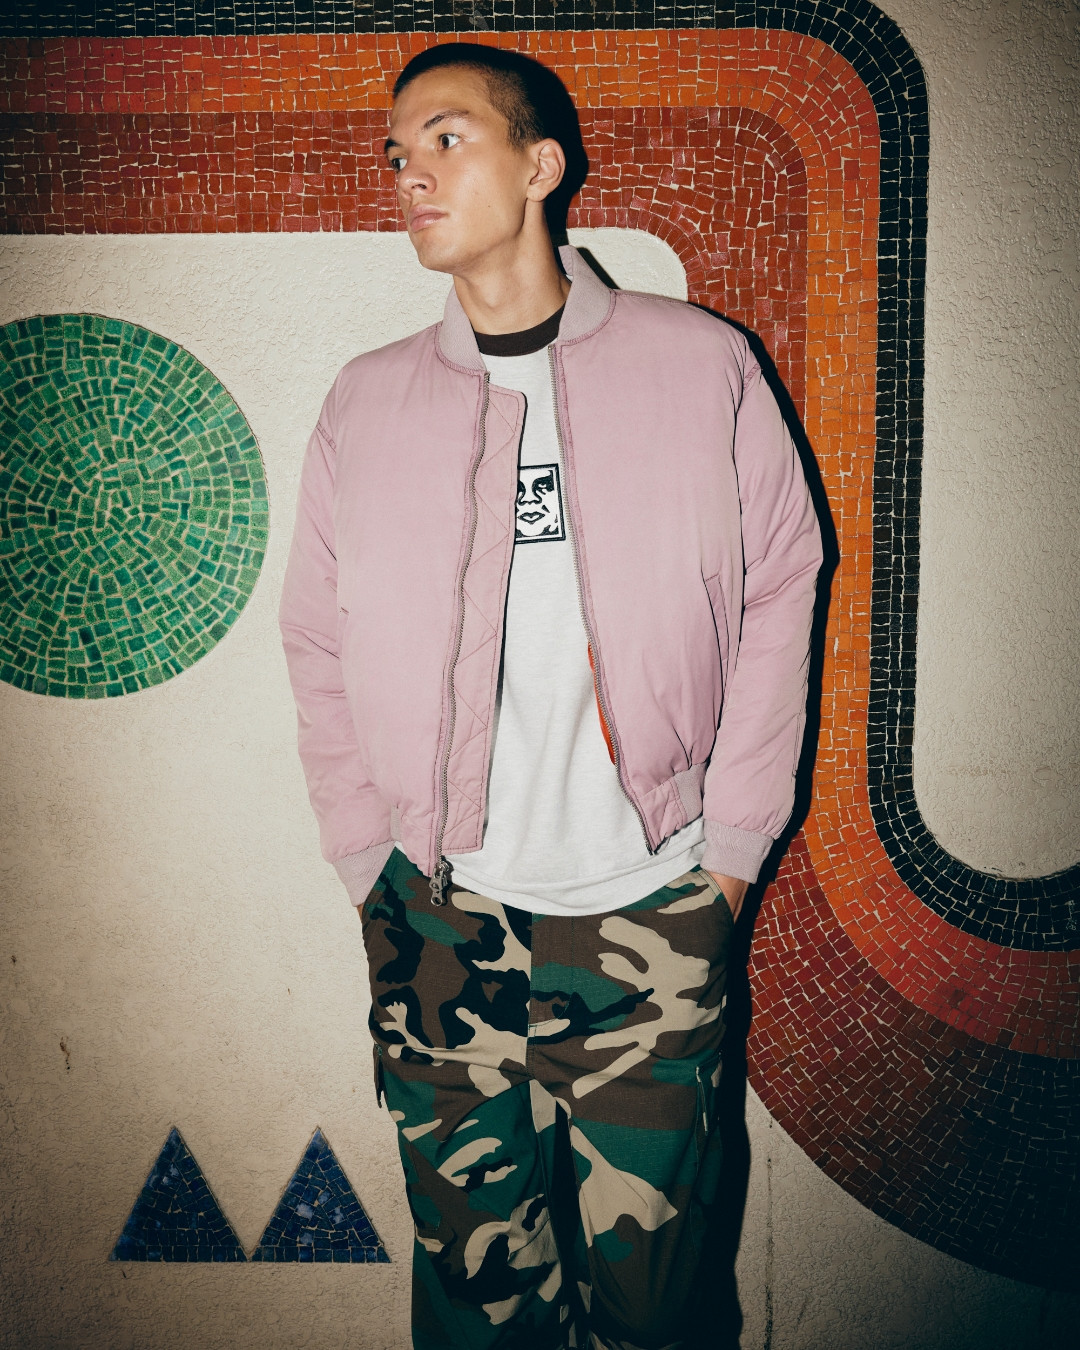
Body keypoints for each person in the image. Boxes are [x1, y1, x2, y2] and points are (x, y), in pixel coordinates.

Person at [279, 41, 821, 1350]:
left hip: (652, 915)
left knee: (658, 1306)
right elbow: (313, 641)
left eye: (445, 139)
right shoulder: (367, 400)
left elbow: (780, 593)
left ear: (541, 167)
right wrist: (367, 863)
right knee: (478, 1303)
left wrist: (729, 863)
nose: (409, 174)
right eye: (397, 154)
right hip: (439, 925)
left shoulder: (702, 365)